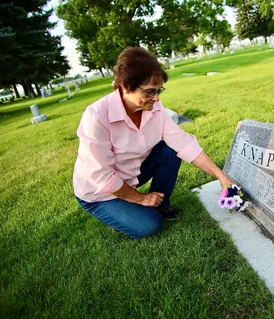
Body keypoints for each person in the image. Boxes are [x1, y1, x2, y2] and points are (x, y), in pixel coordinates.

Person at [73, 47, 233, 240]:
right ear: (125, 86)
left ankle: (161, 206)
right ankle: (143, 206)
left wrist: (221, 177)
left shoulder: (154, 107)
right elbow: (103, 177)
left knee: (170, 150)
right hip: (100, 193)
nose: (156, 99)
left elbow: (183, 144)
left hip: (130, 175)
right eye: (150, 92)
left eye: (159, 91)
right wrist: (141, 198)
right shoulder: (96, 117)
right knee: (149, 226)